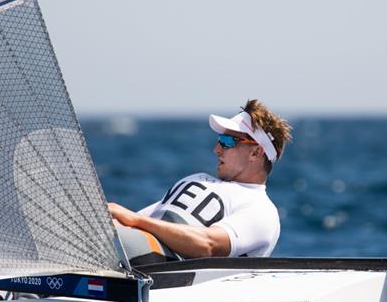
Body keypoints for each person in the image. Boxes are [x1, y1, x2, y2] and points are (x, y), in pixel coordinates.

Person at [109, 99, 292, 262]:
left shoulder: (261, 210)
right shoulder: (197, 179)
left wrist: (136, 221)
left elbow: (208, 245)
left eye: (227, 141)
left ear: (256, 152)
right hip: (128, 256)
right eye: (219, 140)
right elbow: (130, 221)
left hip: (162, 280)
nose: (217, 149)